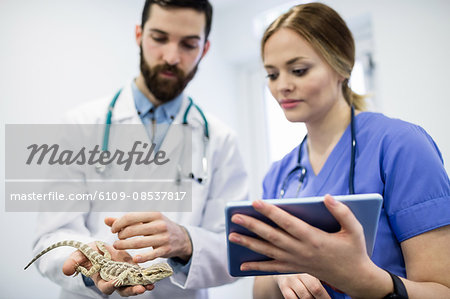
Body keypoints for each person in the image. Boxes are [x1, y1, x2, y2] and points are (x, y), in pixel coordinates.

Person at [228, 2, 450, 298]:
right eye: (272, 74)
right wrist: (285, 274)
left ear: (342, 65)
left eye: (298, 70)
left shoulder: (400, 146)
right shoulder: (280, 174)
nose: (282, 86)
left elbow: (443, 290)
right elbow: (261, 290)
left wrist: (365, 280)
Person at [32, 1, 248, 298]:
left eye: (188, 44)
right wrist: (90, 264)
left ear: (205, 50)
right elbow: (50, 237)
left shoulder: (221, 140)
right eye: (159, 38)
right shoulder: (79, 126)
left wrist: (187, 241)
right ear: (139, 35)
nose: (171, 57)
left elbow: (236, 250)